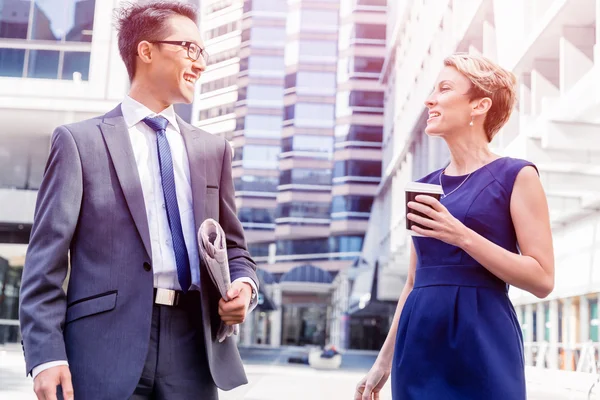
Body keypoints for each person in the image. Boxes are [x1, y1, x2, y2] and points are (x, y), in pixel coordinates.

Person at [18, 2, 259, 399]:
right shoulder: (80, 143)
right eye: (189, 48)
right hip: (102, 349)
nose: (200, 63)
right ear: (146, 51)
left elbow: (235, 249)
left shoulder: (213, 151)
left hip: (193, 348)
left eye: (203, 52)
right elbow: (44, 263)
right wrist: (46, 355)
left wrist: (245, 287)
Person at [355, 53, 555, 399]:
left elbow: (542, 279)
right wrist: (383, 361)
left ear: (479, 106)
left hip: (483, 341)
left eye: (444, 89)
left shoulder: (517, 176)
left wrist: (461, 235)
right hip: (417, 344)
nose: (430, 99)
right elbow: (414, 281)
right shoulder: (423, 186)